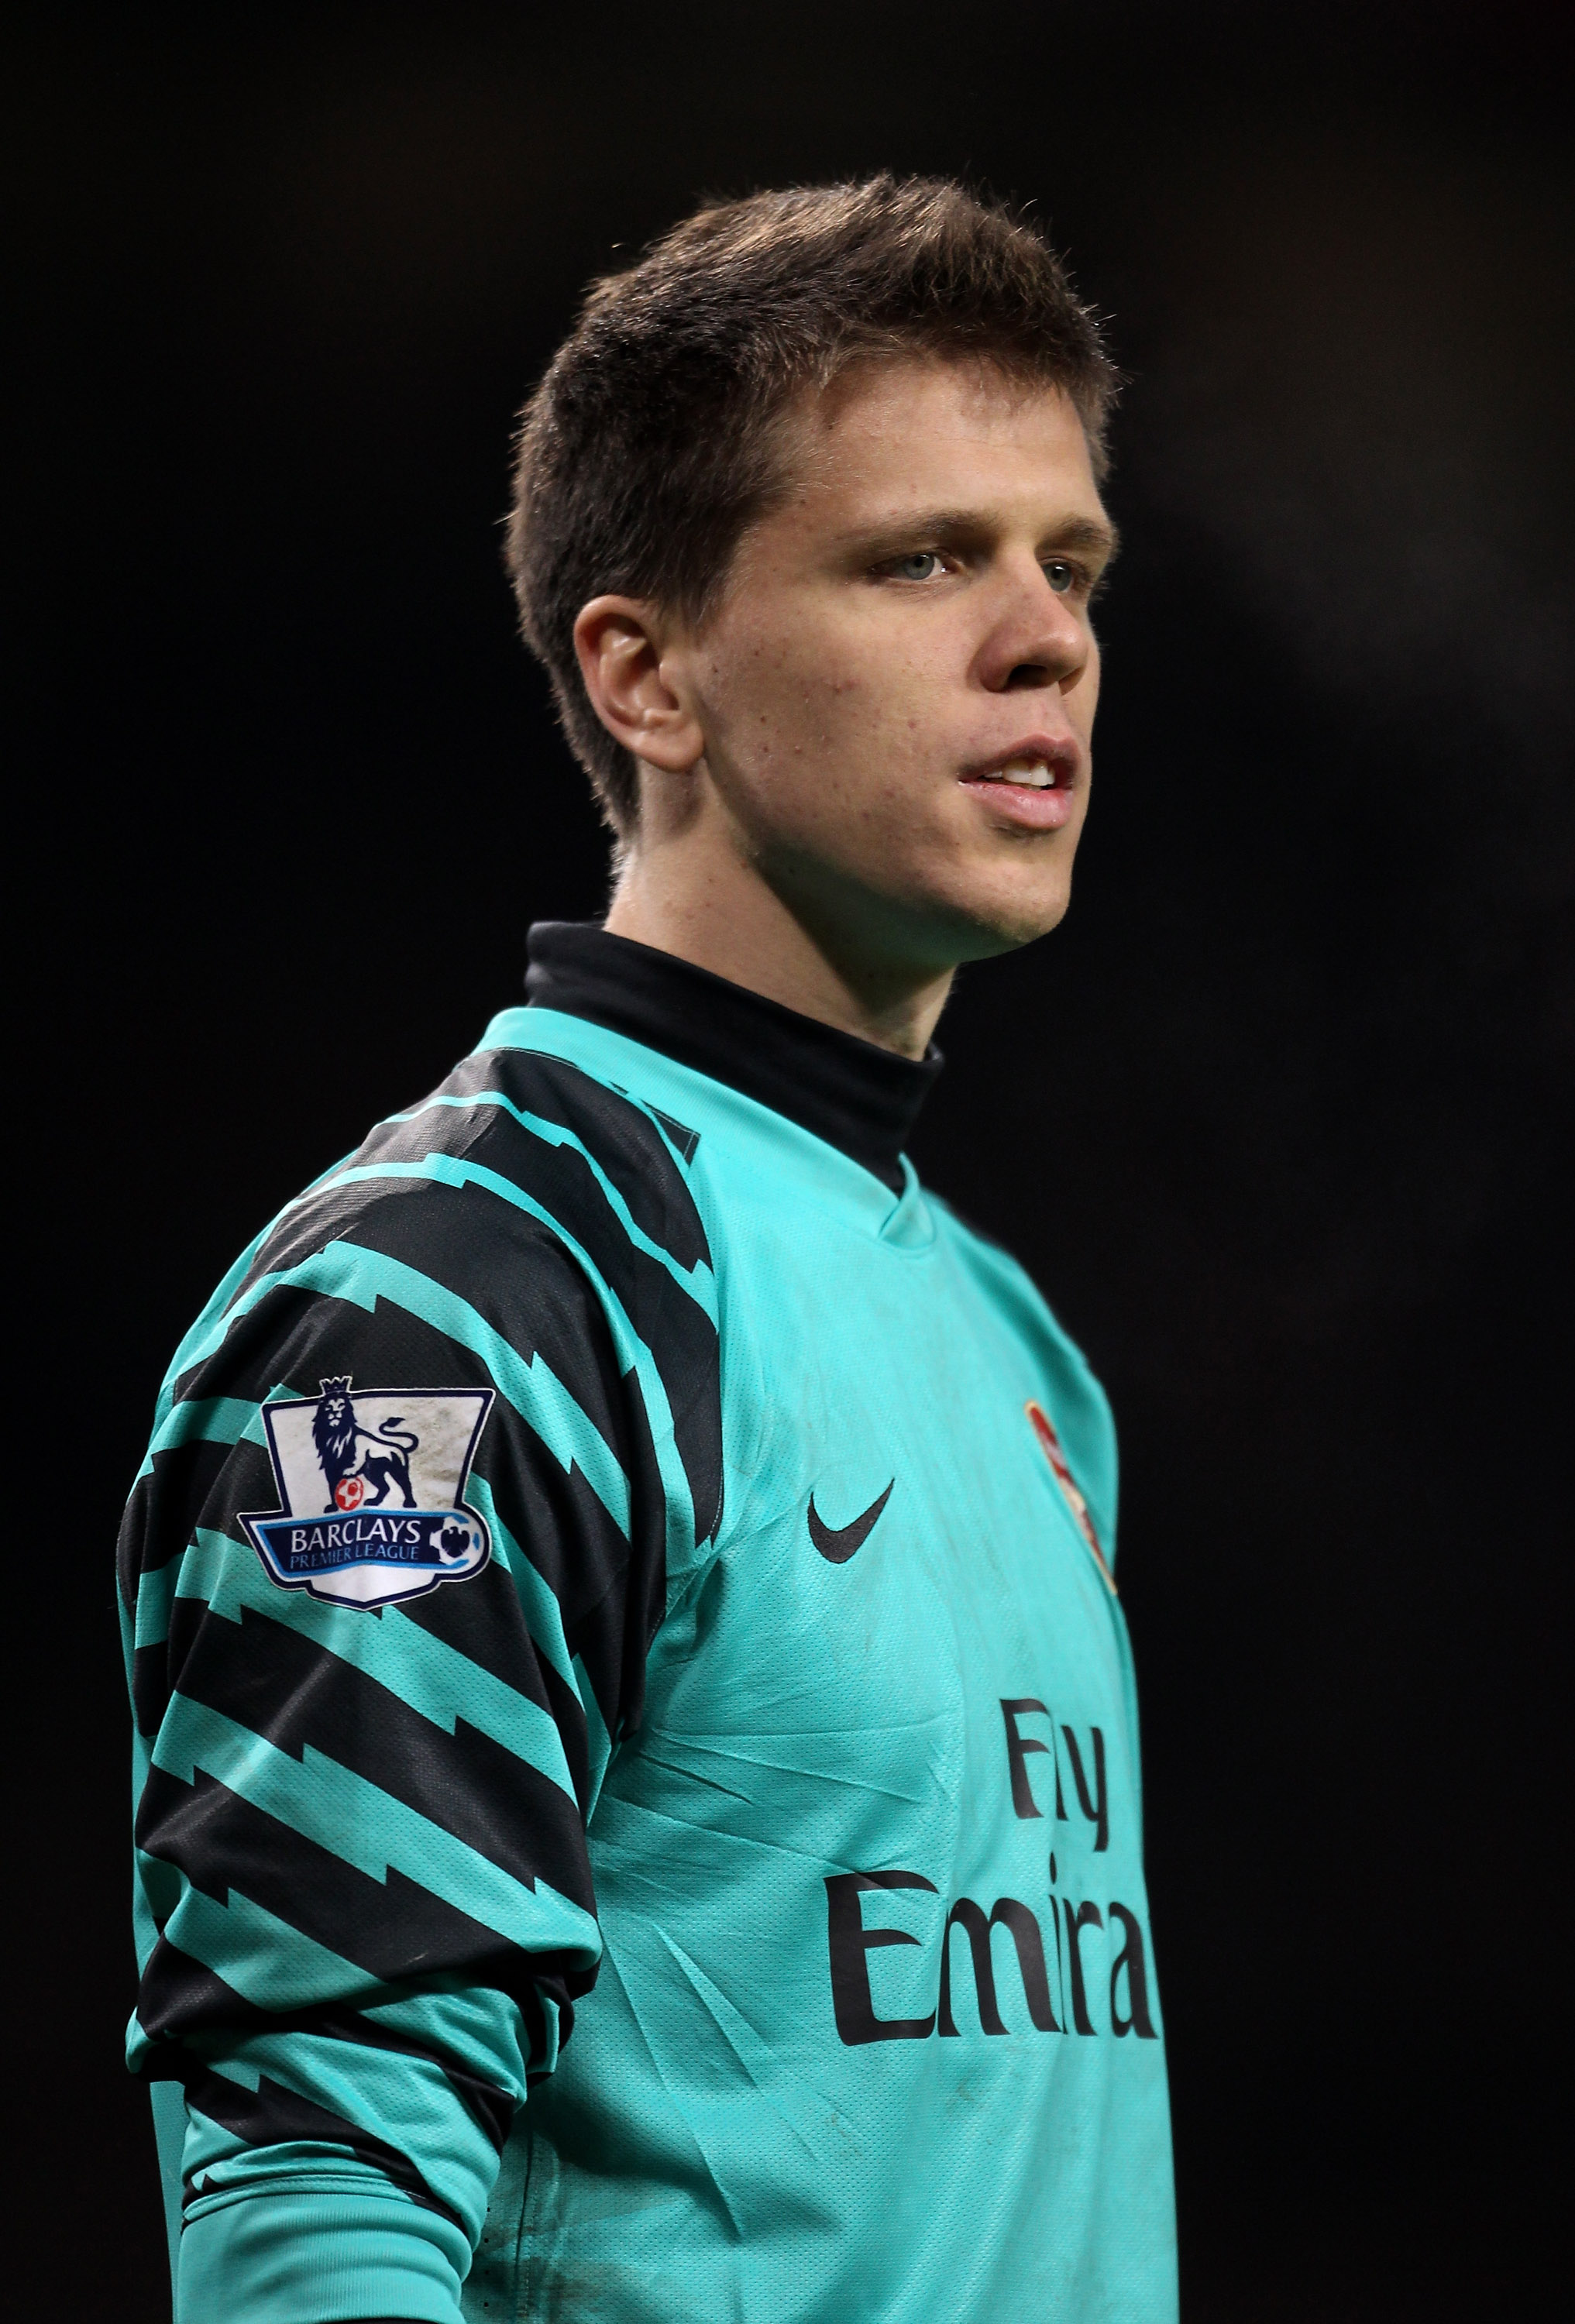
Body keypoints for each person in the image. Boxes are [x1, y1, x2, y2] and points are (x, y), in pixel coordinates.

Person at [119, 174, 1178, 2324]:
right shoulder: (451, 1307)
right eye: (919, 558)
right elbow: (318, 2183)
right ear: (646, 673)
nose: (1042, 629)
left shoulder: (1008, 1338)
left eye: (1065, 560)